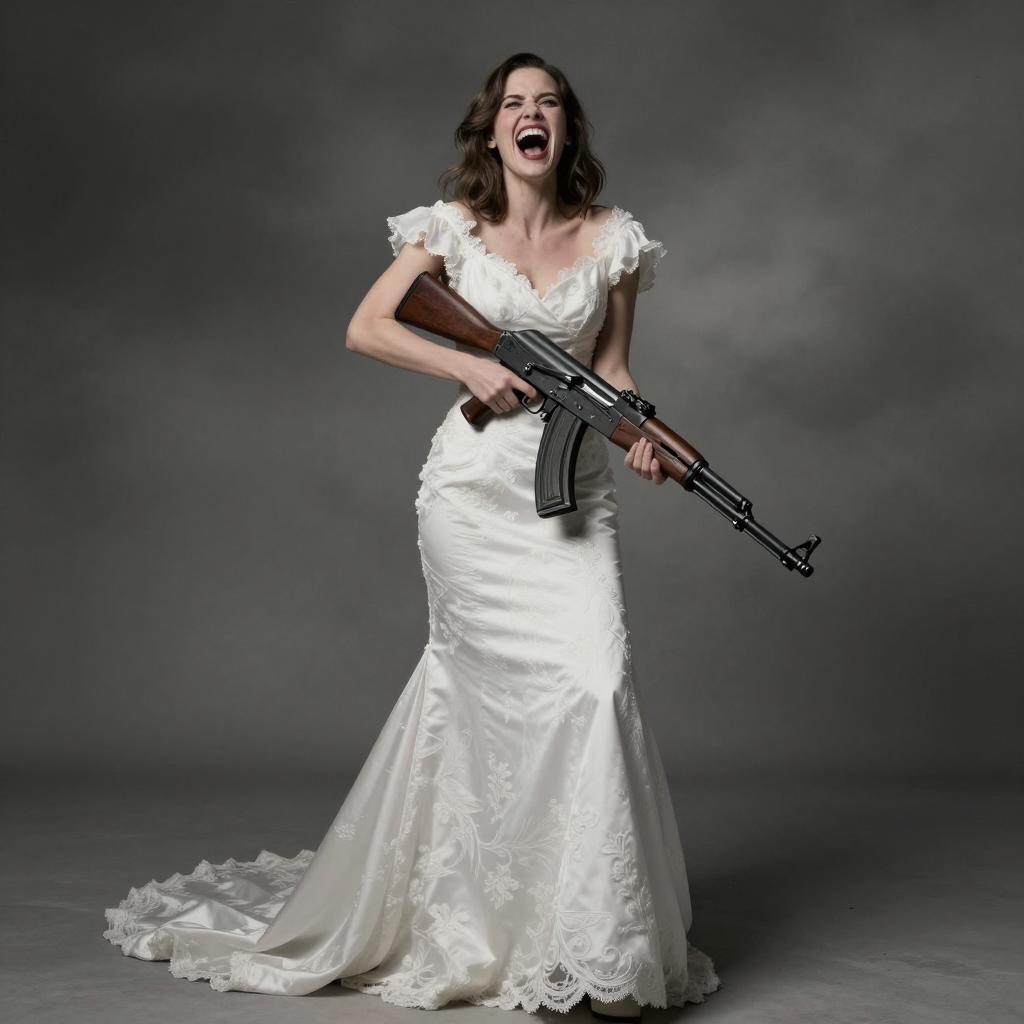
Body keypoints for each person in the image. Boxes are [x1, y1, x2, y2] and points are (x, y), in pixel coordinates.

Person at [102, 52, 720, 1022]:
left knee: (593, 684)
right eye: (513, 104)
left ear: (566, 129)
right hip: (472, 498)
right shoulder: (450, 227)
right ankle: (484, 928)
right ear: (492, 130)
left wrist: (645, 437)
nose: (531, 115)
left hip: (575, 500)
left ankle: (593, 944)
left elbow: (612, 368)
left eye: (548, 103)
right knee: (485, 703)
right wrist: (466, 369)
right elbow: (367, 326)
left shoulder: (614, 239)